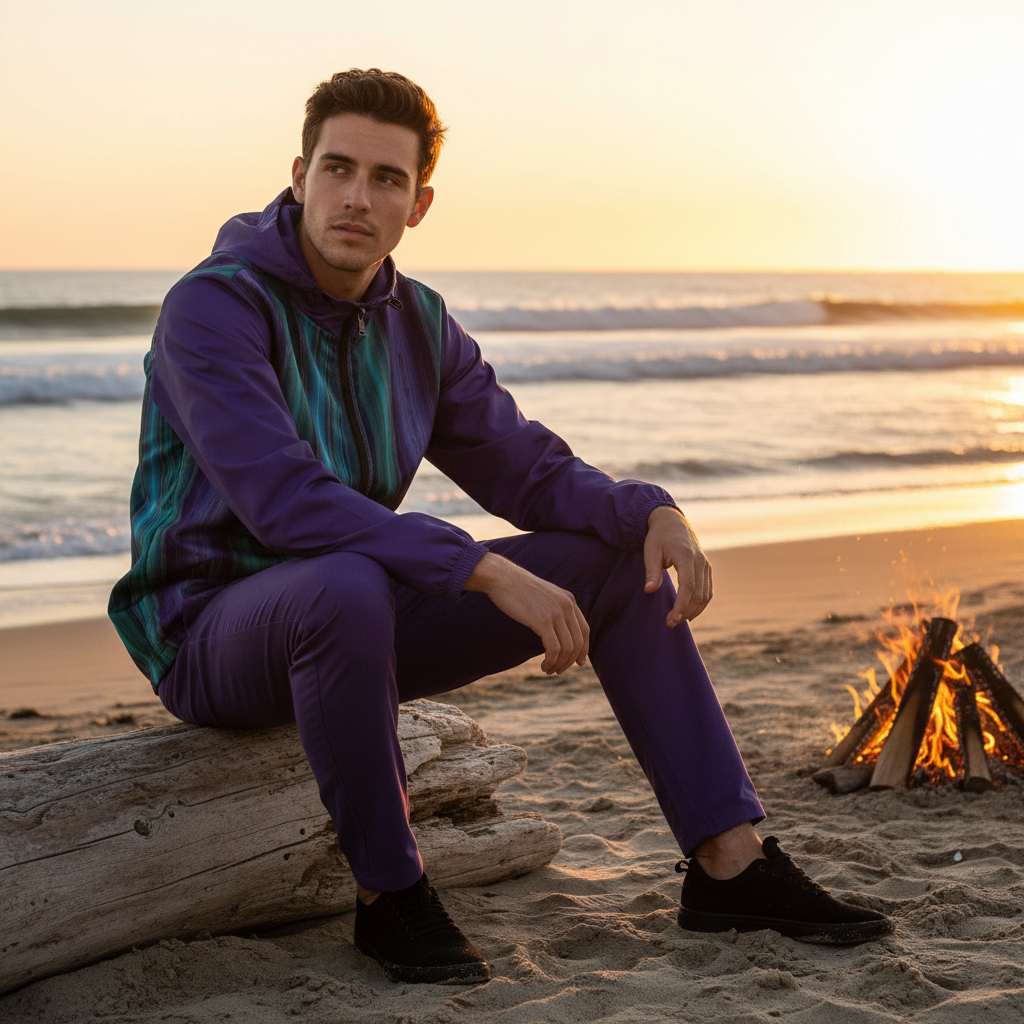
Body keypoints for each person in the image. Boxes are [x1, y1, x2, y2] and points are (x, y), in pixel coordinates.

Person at [109, 68, 893, 985]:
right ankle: (390, 897)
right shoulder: (214, 307)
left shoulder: (419, 324)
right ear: (298, 174)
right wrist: (479, 569)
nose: (357, 197)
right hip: (210, 632)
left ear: (420, 203)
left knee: (613, 560)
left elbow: (524, 466)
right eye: (338, 168)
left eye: (387, 179)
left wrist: (651, 509)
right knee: (345, 583)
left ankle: (732, 863)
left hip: (352, 617)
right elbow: (281, 497)